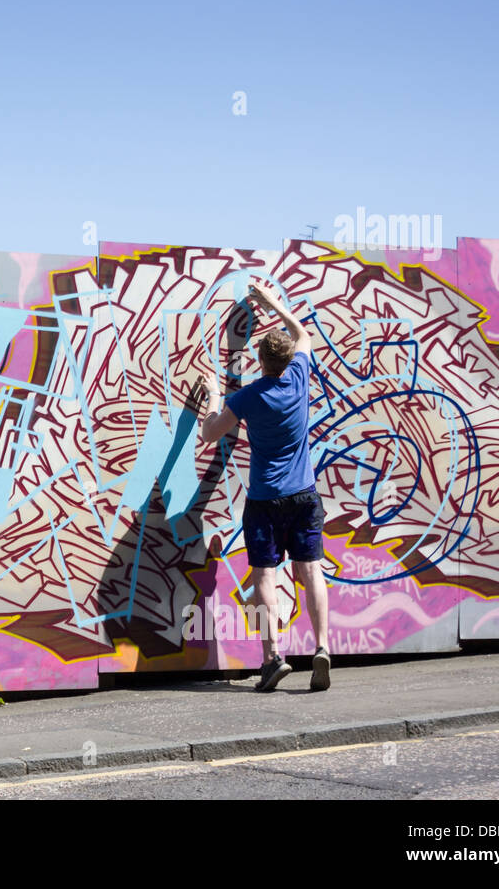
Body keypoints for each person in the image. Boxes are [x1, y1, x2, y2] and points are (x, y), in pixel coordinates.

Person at [196, 279, 330, 692]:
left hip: (265, 499)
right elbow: (302, 332)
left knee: (265, 578)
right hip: (304, 495)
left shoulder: (250, 397)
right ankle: (322, 648)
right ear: (289, 357)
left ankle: (273, 658)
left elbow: (209, 434)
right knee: (310, 570)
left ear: (261, 359)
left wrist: (216, 394)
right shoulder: (300, 376)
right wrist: (272, 302)